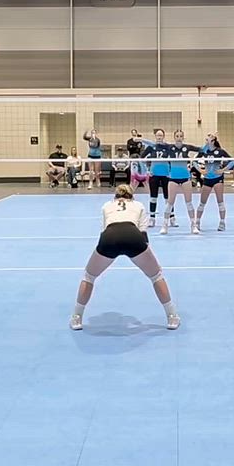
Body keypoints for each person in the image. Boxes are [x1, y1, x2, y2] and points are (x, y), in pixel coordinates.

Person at [69, 184, 179, 331]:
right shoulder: (138, 205)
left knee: (89, 276)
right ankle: (172, 316)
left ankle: (76, 317)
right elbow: (143, 235)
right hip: (133, 236)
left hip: (109, 237)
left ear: (115, 195)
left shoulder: (107, 205)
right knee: (156, 276)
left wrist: (102, 252)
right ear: (132, 195)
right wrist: (150, 260)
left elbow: (104, 231)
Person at [156, 130, 200, 235]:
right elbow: (155, 144)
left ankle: (193, 225)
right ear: (174, 137)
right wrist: (141, 139)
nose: (179, 138)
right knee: (170, 203)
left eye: (181, 136)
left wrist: (210, 141)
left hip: (185, 178)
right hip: (173, 178)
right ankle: (165, 225)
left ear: (183, 137)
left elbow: (202, 149)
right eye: (177, 136)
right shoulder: (169, 147)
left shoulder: (187, 147)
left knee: (189, 202)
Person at [195, 133, 232, 232]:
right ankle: (197, 222)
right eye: (206, 140)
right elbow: (194, 161)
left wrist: (223, 170)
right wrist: (200, 170)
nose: (206, 142)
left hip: (217, 178)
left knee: (220, 202)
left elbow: (232, 161)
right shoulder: (204, 151)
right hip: (207, 179)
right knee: (202, 203)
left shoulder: (220, 151)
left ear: (213, 141)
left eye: (208, 140)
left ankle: (222, 222)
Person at [140, 129, 174, 227]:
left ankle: (172, 218)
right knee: (153, 197)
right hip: (154, 175)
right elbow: (141, 158)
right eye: (158, 135)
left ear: (163, 136)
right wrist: (147, 171)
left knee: (168, 198)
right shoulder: (151, 147)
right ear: (155, 136)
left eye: (161, 135)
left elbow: (173, 159)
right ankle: (152, 219)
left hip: (166, 175)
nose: (159, 137)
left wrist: (171, 172)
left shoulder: (168, 147)